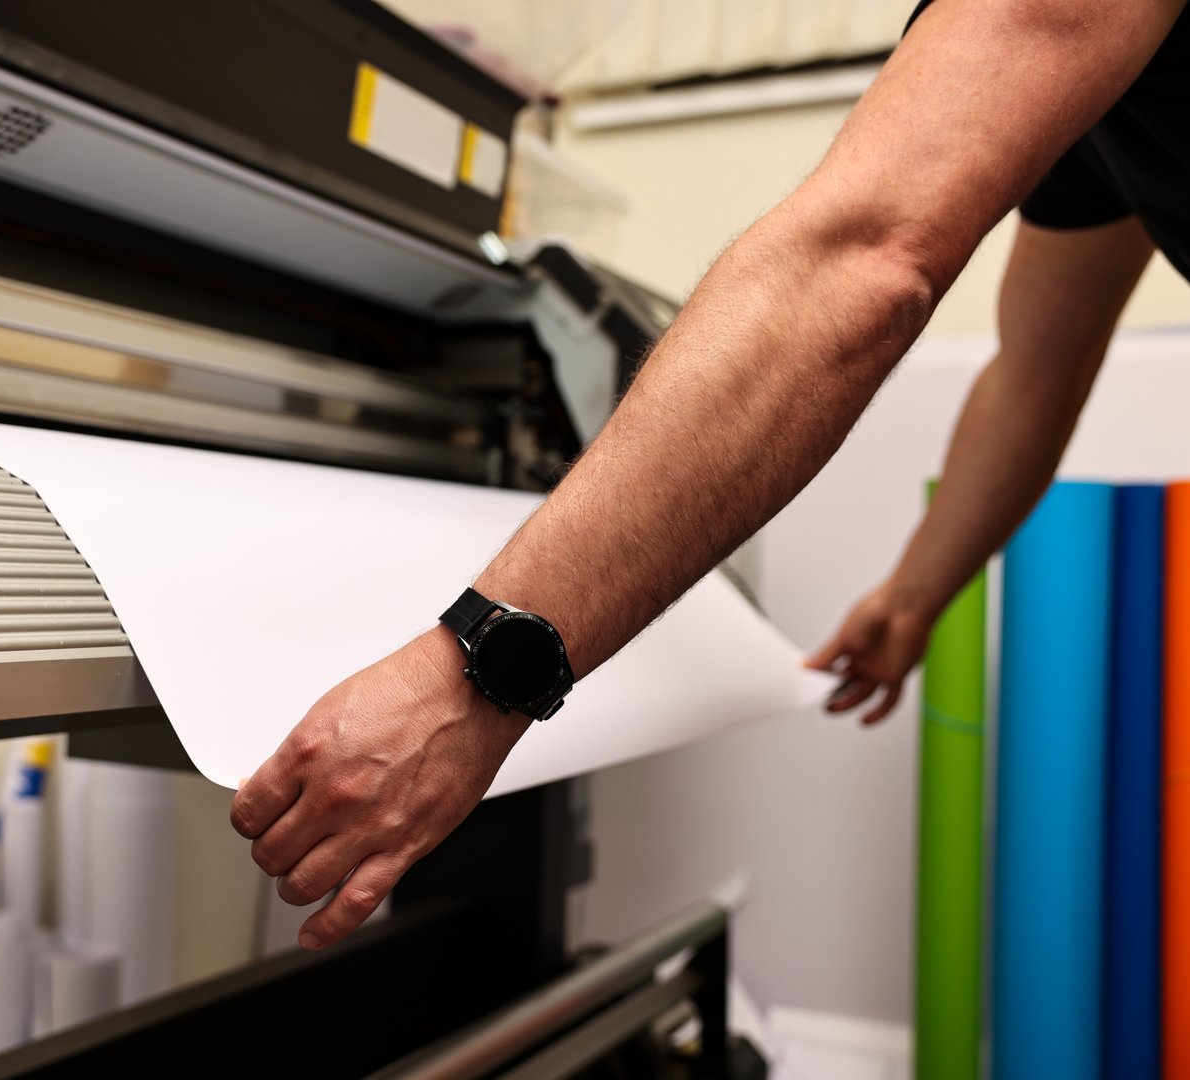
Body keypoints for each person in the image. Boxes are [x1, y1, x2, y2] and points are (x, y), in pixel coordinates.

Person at [231, 0, 1190, 953]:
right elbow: (1038, 367)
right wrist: (914, 591)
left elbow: (862, 261)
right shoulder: (1115, 92)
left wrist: (472, 678)